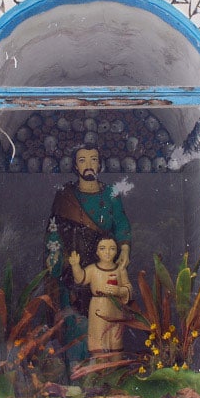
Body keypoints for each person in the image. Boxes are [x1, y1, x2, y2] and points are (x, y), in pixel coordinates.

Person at [45, 144, 131, 366]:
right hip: (73, 269)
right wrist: (55, 258)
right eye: (82, 160)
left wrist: (125, 248)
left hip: (104, 267)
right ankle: (76, 374)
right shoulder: (65, 195)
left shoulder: (111, 193)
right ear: (75, 165)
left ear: (100, 164)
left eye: (93, 159)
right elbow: (54, 230)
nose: (88, 165)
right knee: (75, 324)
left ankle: (106, 374)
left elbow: (121, 223)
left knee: (108, 327)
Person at [68, 236, 131, 355]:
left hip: (115, 311)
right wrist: (75, 266)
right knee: (99, 342)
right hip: (98, 310)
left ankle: (115, 369)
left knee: (115, 342)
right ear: (97, 252)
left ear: (117, 251)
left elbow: (128, 288)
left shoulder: (120, 270)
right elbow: (80, 278)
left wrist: (118, 291)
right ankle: (99, 370)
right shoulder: (93, 269)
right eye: (102, 248)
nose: (107, 252)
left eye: (112, 248)